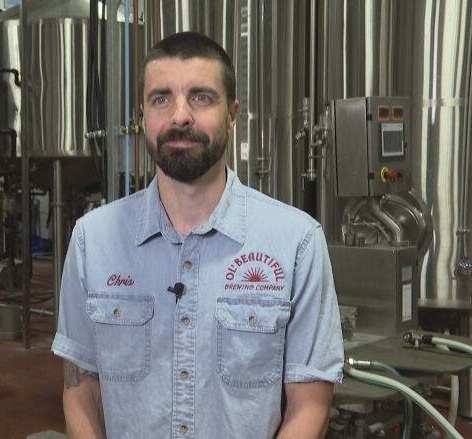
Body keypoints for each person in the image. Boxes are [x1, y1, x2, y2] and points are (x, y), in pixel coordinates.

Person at [51, 31, 344, 439]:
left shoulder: (296, 242)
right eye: (161, 98)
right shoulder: (92, 240)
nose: (180, 116)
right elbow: (81, 388)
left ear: (232, 114)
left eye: (201, 97)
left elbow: (309, 406)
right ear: (142, 116)